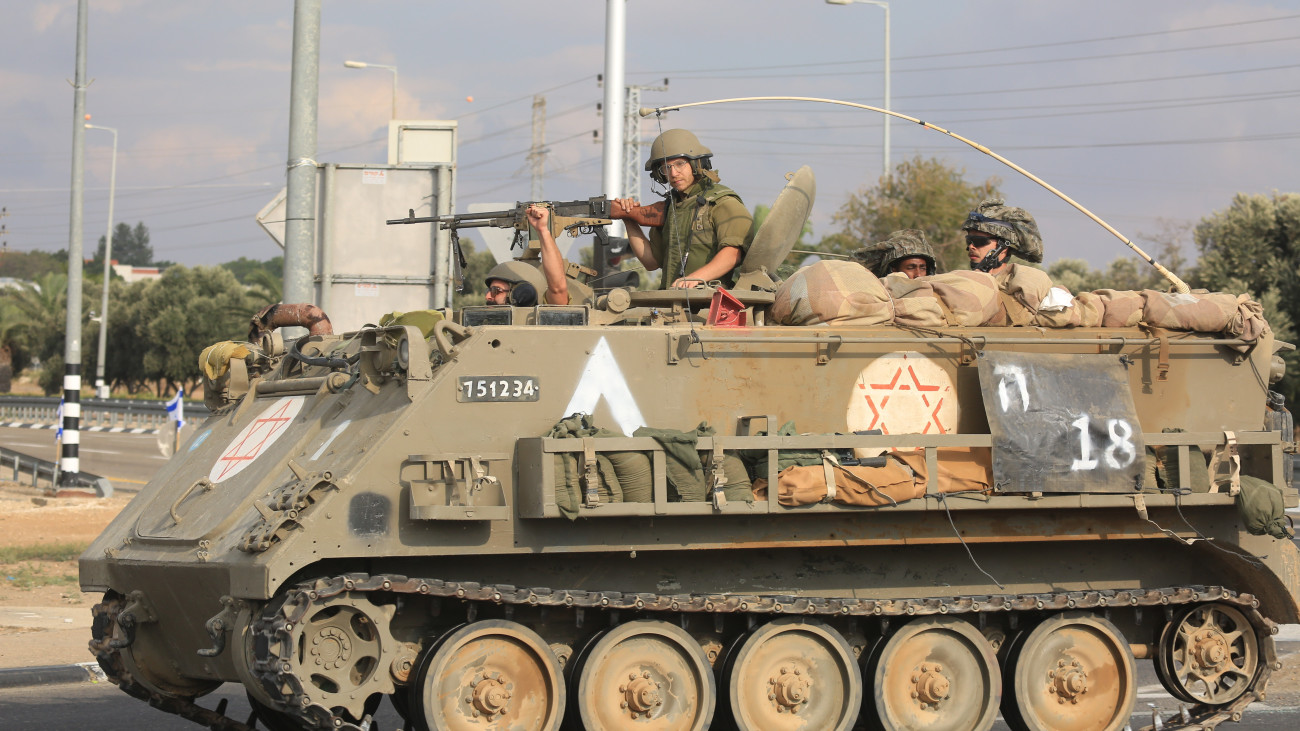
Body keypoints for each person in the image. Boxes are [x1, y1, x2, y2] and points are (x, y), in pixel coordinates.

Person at [614, 129, 752, 289]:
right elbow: (651, 262)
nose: (673, 173)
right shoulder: (669, 208)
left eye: (680, 164)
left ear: (696, 163)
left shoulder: (722, 203)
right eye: (666, 167)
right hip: (672, 304)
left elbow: (732, 254)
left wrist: (695, 279)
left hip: (710, 305)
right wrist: (628, 219)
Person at [961, 197, 1073, 325]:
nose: (971, 246)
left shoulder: (1021, 285)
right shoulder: (962, 281)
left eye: (979, 241)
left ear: (1003, 247)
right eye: (969, 241)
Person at [481, 204, 575, 306]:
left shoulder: (539, 319)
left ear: (521, 293)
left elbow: (558, 289)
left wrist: (542, 230)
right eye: (489, 291)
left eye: (496, 291)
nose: (488, 296)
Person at [852, 229, 939, 279]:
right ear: (894, 270)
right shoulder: (880, 295)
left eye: (923, 268)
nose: (918, 275)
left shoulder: (937, 293)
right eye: (911, 268)